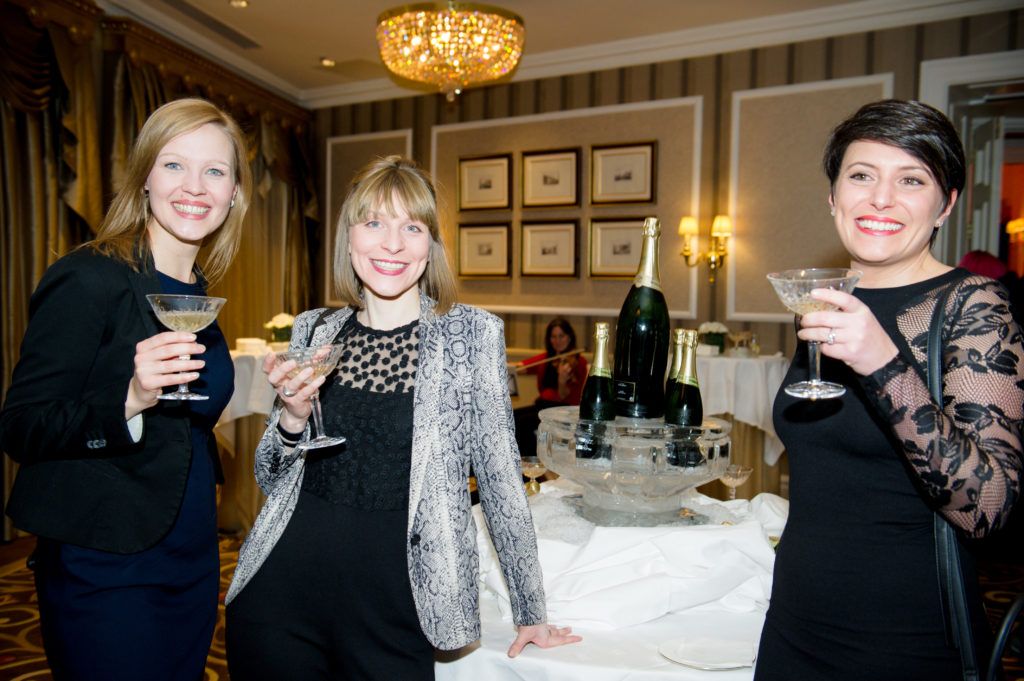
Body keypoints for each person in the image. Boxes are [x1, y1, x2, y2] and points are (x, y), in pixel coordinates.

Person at [224, 155, 580, 680]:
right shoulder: (314, 329)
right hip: (282, 597)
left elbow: (503, 480)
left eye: (411, 227)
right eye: (374, 223)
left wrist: (532, 612)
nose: (392, 244)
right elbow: (270, 478)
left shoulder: (470, 335)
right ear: (350, 238)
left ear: (431, 246)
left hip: (400, 606)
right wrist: (292, 420)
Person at [754, 99, 1023, 681]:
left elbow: (991, 506)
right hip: (795, 625)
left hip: (905, 639)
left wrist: (883, 362)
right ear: (833, 197)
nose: (881, 199)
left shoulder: (973, 306)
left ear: (946, 204)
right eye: (861, 176)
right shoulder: (822, 304)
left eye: (911, 179)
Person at [0, 98, 251, 680]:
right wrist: (129, 400)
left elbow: (189, 425)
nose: (195, 187)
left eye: (215, 171)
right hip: (104, 557)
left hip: (189, 550)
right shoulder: (89, 276)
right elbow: (21, 425)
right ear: (143, 178)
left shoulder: (195, 288)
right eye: (173, 166)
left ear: (235, 193)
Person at [513, 318, 588, 458]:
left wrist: (562, 380)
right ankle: (518, 462)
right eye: (553, 336)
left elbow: (563, 395)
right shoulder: (548, 357)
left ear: (569, 337)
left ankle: (530, 461)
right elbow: (521, 367)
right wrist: (510, 368)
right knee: (510, 415)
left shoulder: (579, 362)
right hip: (542, 406)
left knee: (522, 423)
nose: (557, 341)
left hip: (562, 411)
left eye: (561, 336)